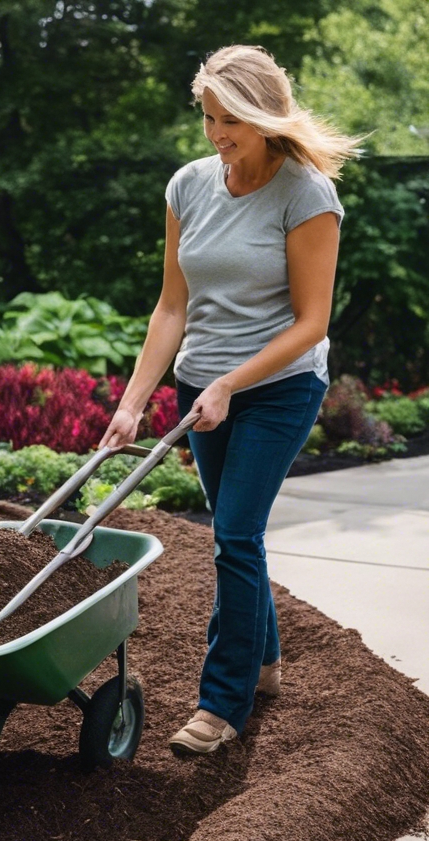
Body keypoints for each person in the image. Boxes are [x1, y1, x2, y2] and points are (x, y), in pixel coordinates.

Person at [99, 45, 362, 755]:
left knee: (234, 536)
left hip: (277, 389)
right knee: (234, 530)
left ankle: (222, 703)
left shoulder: (306, 194)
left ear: (263, 116)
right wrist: (133, 403)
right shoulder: (188, 186)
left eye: (229, 120)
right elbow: (170, 309)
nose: (217, 134)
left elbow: (312, 321)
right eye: (208, 119)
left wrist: (229, 383)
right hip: (201, 387)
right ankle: (266, 664)